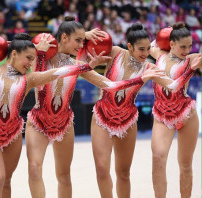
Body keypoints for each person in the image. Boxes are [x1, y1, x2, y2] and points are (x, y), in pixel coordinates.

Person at [25, 18, 164, 198]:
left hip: (64, 124)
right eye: (79, 40)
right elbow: (18, 50)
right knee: (34, 169)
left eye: (83, 40)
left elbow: (110, 85)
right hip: (38, 121)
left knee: (64, 177)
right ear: (65, 37)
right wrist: (39, 51)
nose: (82, 44)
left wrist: (141, 79)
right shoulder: (39, 55)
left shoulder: (77, 66)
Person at [0, 31, 108, 198]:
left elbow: (61, 71)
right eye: (28, 58)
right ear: (14, 53)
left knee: (6, 181)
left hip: (13, 136)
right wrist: (6, 44)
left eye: (33, 59)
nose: (30, 63)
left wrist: (88, 65)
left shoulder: (29, 79)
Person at [88, 23, 195, 198]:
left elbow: (174, 86)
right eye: (141, 49)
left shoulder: (150, 68)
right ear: (129, 46)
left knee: (123, 173)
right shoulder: (115, 52)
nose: (145, 54)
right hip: (102, 116)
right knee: (101, 169)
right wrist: (86, 35)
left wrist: (189, 70)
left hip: (128, 120)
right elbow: (83, 58)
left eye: (147, 49)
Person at [149, 22, 201, 198]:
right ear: (171, 44)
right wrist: (165, 32)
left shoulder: (192, 59)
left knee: (185, 164)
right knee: (158, 158)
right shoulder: (159, 55)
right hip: (163, 116)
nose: (187, 50)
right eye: (182, 46)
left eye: (190, 46)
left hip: (187, 115)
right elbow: (149, 45)